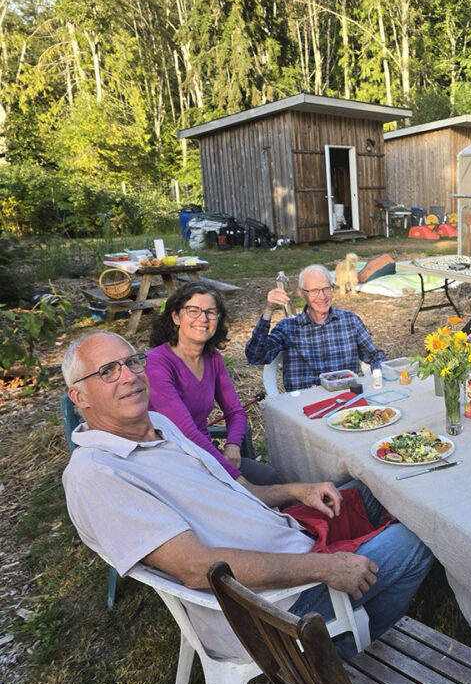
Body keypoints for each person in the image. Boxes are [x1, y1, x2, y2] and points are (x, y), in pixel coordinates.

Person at [62, 330, 433, 661]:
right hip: (276, 605)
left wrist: (297, 491)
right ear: (79, 396)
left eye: (131, 362)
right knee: (423, 531)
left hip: (290, 541)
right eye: (108, 371)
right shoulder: (97, 473)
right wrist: (328, 567)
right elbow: (196, 569)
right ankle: (335, 657)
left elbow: (239, 491)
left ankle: (355, 624)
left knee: (375, 489)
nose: (129, 376)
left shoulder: (159, 425)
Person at [146, 282, 280, 485]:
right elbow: (186, 433)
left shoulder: (212, 357)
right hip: (174, 462)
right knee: (254, 496)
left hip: (207, 453)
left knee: (271, 478)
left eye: (211, 312)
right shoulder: (156, 364)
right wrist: (236, 479)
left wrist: (233, 443)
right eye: (193, 311)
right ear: (175, 317)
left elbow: (235, 411)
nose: (203, 318)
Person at [245, 263, 386, 392]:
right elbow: (255, 356)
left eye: (326, 289)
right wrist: (269, 309)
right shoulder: (288, 328)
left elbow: (374, 356)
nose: (322, 296)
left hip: (345, 400)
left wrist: (378, 379)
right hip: (304, 405)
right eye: (314, 291)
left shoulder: (349, 321)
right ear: (302, 294)